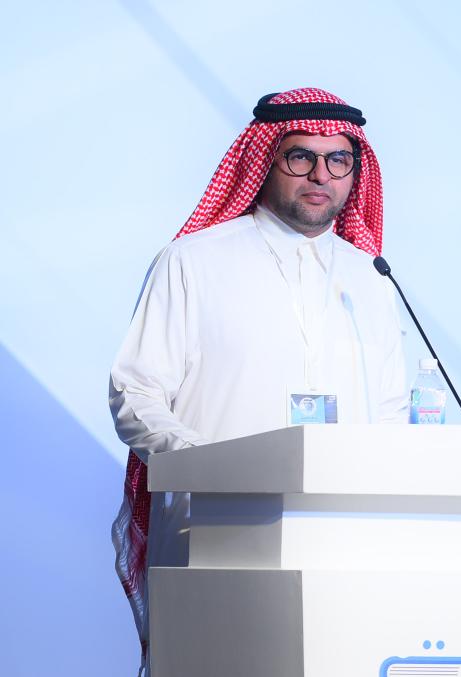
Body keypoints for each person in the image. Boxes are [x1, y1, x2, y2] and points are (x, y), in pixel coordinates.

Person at [109, 87, 409, 675]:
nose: (320, 175)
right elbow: (134, 393)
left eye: (338, 160)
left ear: (356, 172)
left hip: (343, 544)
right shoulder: (193, 261)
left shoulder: (370, 279)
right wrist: (211, 466)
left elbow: (392, 411)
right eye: (301, 157)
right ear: (264, 160)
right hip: (214, 534)